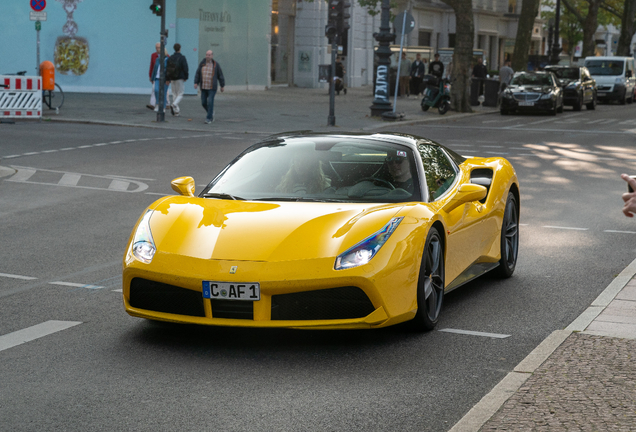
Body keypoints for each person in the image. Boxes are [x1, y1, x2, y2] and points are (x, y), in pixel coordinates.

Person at [194, 50, 225, 124]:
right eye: (207, 55)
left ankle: (209, 118)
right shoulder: (202, 64)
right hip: (204, 87)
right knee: (203, 103)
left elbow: (220, 75)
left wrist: (222, 85)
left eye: (209, 55)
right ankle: (210, 112)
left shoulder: (215, 65)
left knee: (210, 102)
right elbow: (198, 73)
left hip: (212, 87)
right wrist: (196, 82)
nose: (207, 56)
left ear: (212, 56)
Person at [169, 43, 189, 116]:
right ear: (180, 48)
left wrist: (168, 78)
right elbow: (185, 68)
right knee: (180, 94)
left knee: (174, 93)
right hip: (179, 78)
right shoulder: (182, 57)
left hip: (172, 78)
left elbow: (168, 69)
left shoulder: (171, 57)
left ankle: (176, 111)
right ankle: (174, 105)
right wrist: (186, 77)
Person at [151, 48, 171, 113]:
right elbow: (155, 68)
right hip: (157, 77)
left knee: (164, 93)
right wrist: (152, 78)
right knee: (156, 90)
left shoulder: (168, 60)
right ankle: (157, 104)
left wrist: (168, 79)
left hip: (165, 79)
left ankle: (163, 107)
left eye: (159, 53)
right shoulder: (157, 60)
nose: (158, 54)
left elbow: (169, 70)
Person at [147, 42, 161, 110]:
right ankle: (152, 104)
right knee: (154, 89)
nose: (157, 49)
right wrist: (150, 75)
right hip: (155, 76)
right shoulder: (153, 55)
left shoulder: (166, 55)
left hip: (163, 76)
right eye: (156, 48)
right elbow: (152, 65)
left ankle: (167, 103)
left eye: (159, 48)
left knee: (165, 91)